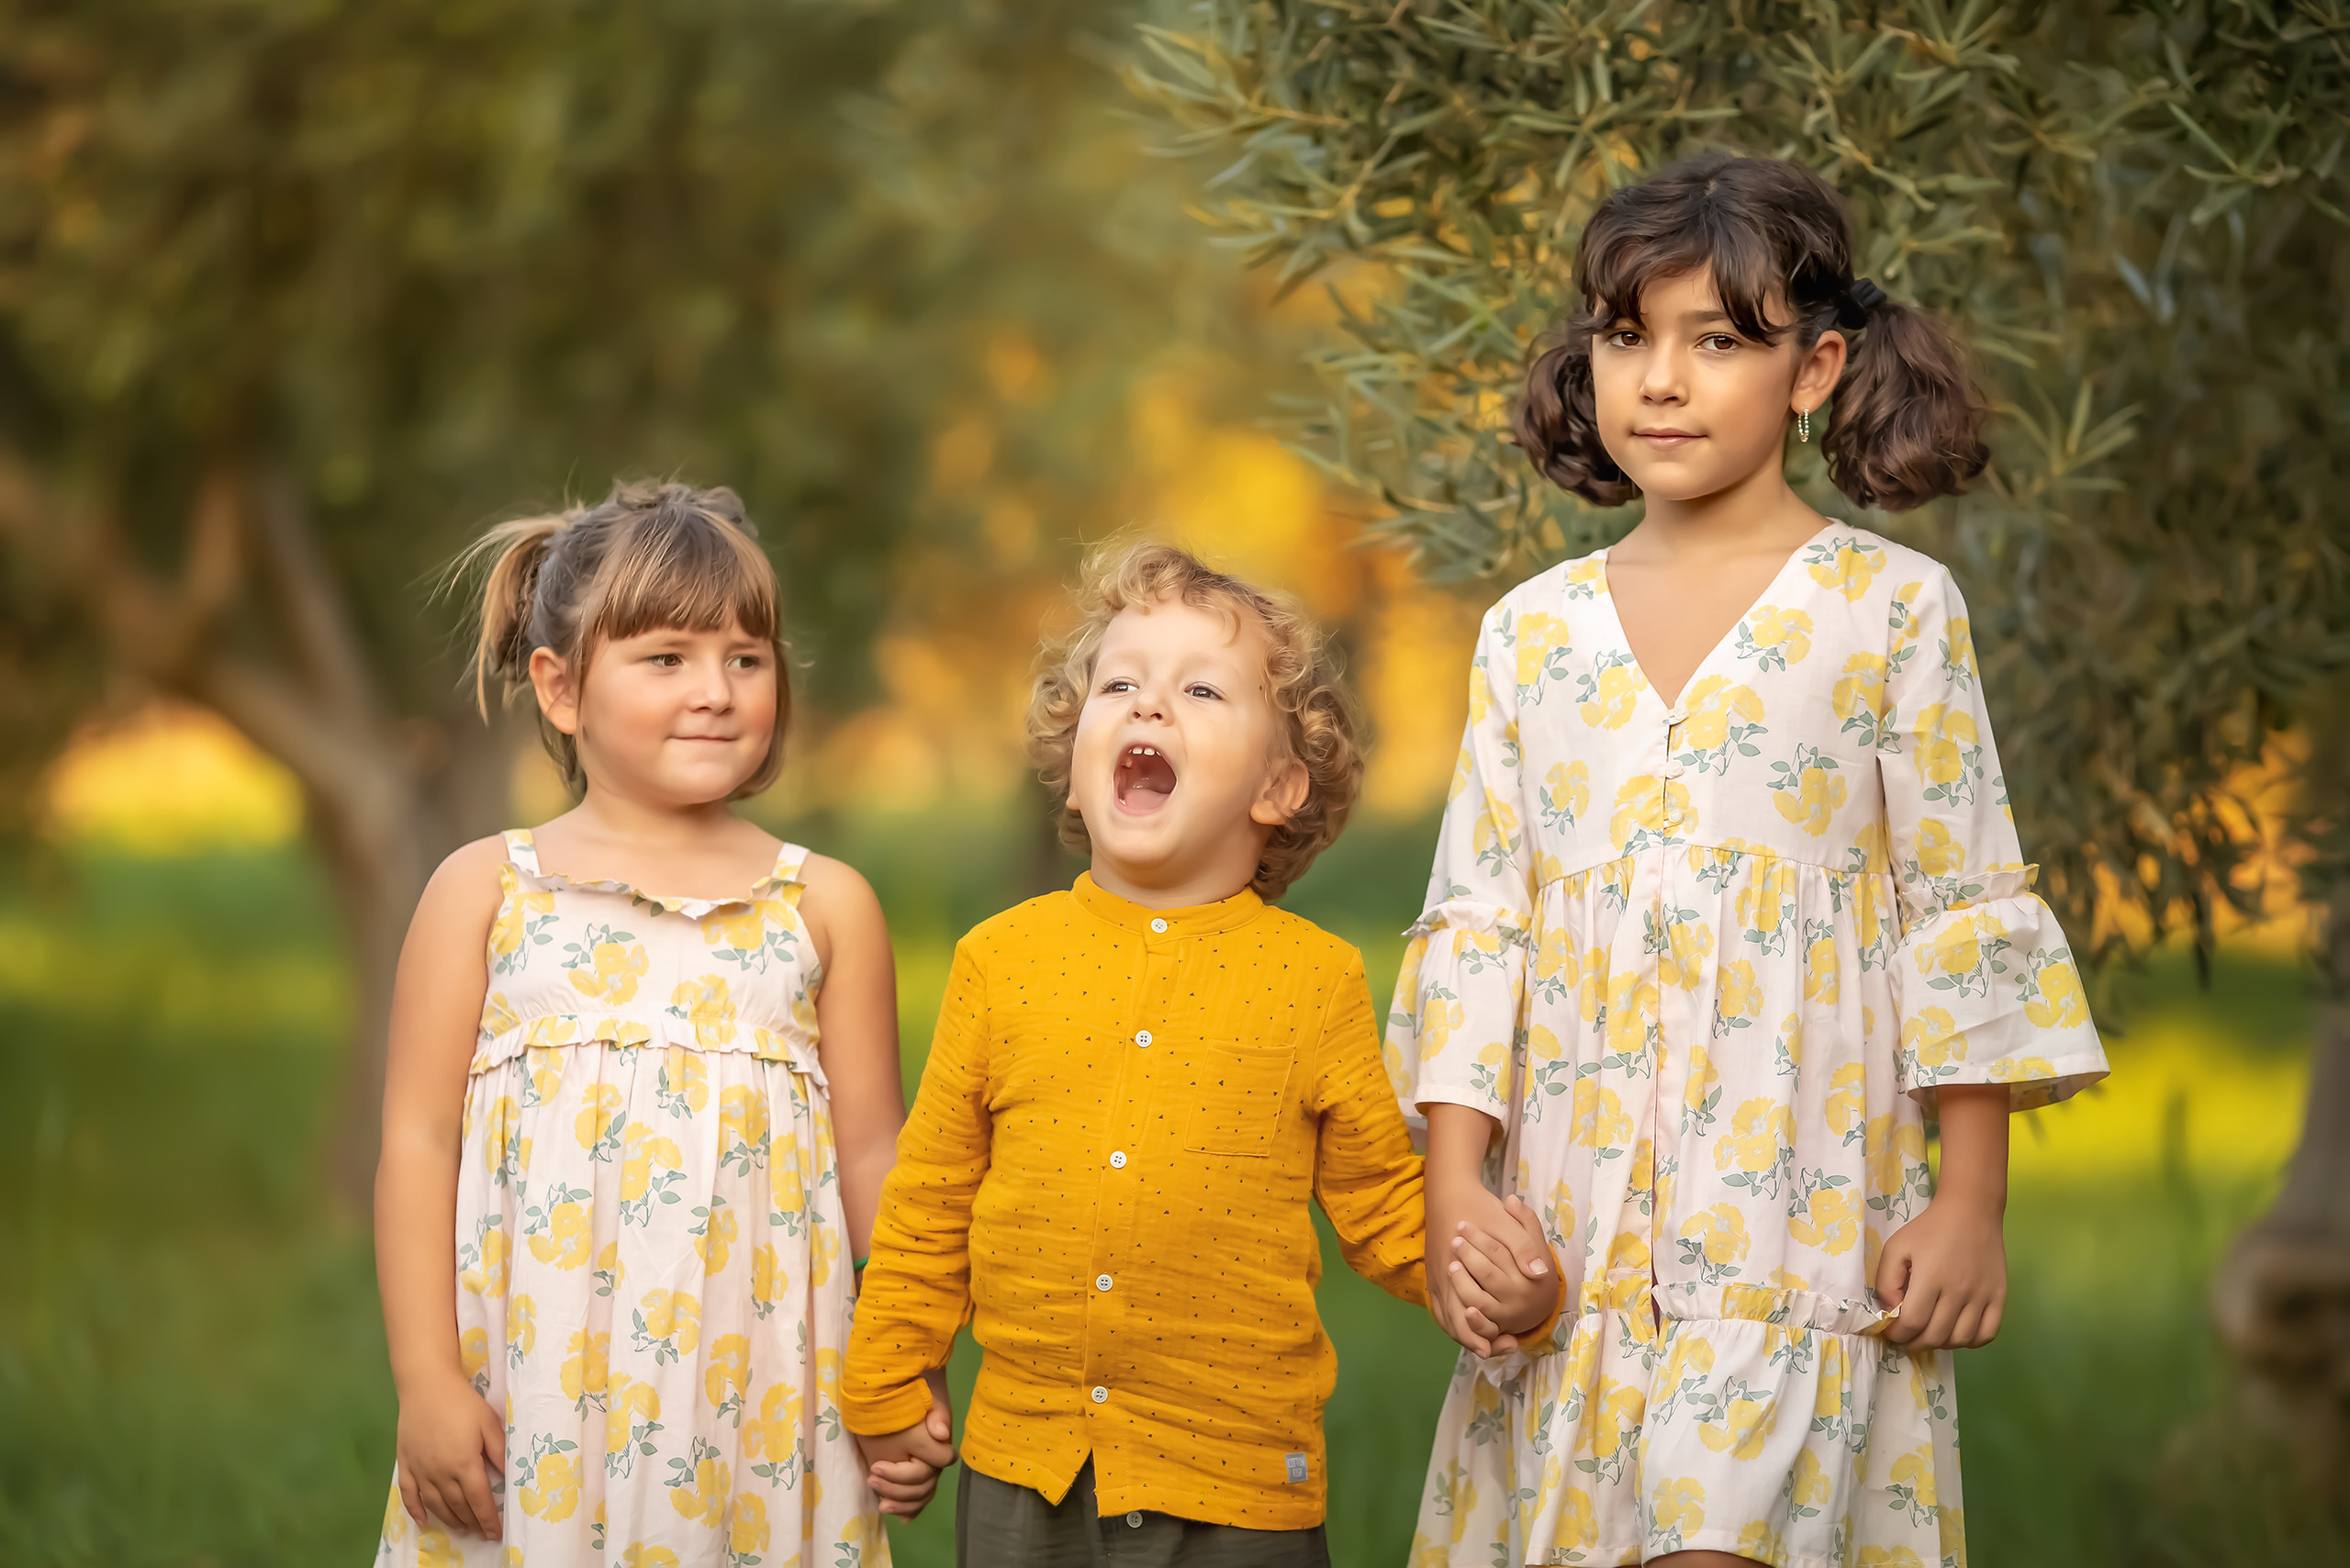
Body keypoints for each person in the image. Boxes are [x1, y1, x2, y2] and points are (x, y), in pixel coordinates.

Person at [1394, 153, 2110, 1567]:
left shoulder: (1891, 610)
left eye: (1715, 341)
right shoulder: (1533, 633)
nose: (1660, 379)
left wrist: (1971, 1199)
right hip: (1577, 1231)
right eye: (1625, 337)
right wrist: (1455, 1191)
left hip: (1802, 1219)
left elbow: (1957, 909)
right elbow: (1477, 924)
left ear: (1815, 367)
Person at [839, 542, 1559, 1566]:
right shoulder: (996, 962)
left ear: (1277, 787)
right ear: (1074, 767)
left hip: (1238, 1485)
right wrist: (887, 1382)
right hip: (1024, 1470)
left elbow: (1385, 1206)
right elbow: (929, 1203)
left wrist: (1496, 1283)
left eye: (1201, 689)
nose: (1147, 706)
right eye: (1119, 682)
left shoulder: (1312, 980)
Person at [370, 480, 936, 1566]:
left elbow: (874, 1151)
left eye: (745, 658)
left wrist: (901, 1367)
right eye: (667, 658)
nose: (715, 691)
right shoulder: (488, 890)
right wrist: (427, 1381)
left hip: (764, 1397)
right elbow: (415, 1143)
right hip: (535, 1403)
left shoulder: (822, 905)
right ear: (562, 687)